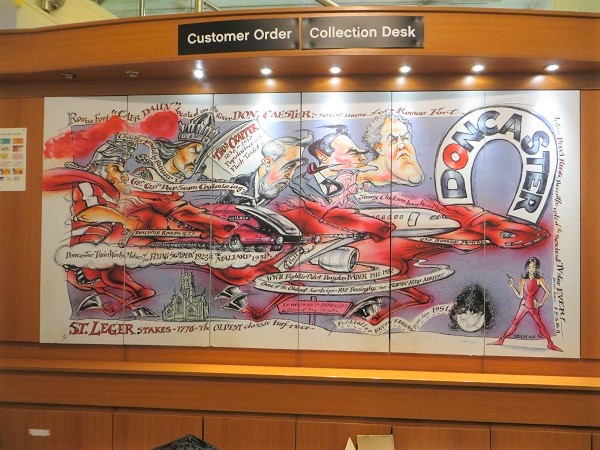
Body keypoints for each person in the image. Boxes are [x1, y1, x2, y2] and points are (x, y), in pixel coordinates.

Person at [218, 131, 314, 207]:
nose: (291, 176)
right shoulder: (236, 186)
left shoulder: (292, 196)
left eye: (296, 167)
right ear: (268, 163)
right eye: (288, 167)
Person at [490, 256, 562, 351]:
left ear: (537, 268)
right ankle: (501, 340)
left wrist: (540, 303)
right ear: (527, 267)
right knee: (515, 323)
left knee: (540, 325)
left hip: (532, 306)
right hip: (524, 305)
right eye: (530, 266)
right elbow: (520, 295)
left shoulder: (539, 280)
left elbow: (547, 292)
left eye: (533, 267)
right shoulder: (522, 280)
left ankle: (550, 343)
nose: (531, 269)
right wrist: (512, 286)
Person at [289, 125, 369, 204]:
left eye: (361, 153)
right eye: (354, 153)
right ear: (322, 156)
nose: (363, 157)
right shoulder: (298, 184)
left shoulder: (351, 181)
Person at [134, 111, 219, 182]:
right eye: (194, 152)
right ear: (177, 149)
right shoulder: (146, 175)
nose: (197, 161)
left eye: (200, 155)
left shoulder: (180, 183)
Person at [360, 112, 424, 187]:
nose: (401, 145)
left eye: (404, 138)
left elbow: (417, 178)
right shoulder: (364, 177)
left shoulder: (407, 165)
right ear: (379, 148)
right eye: (393, 140)